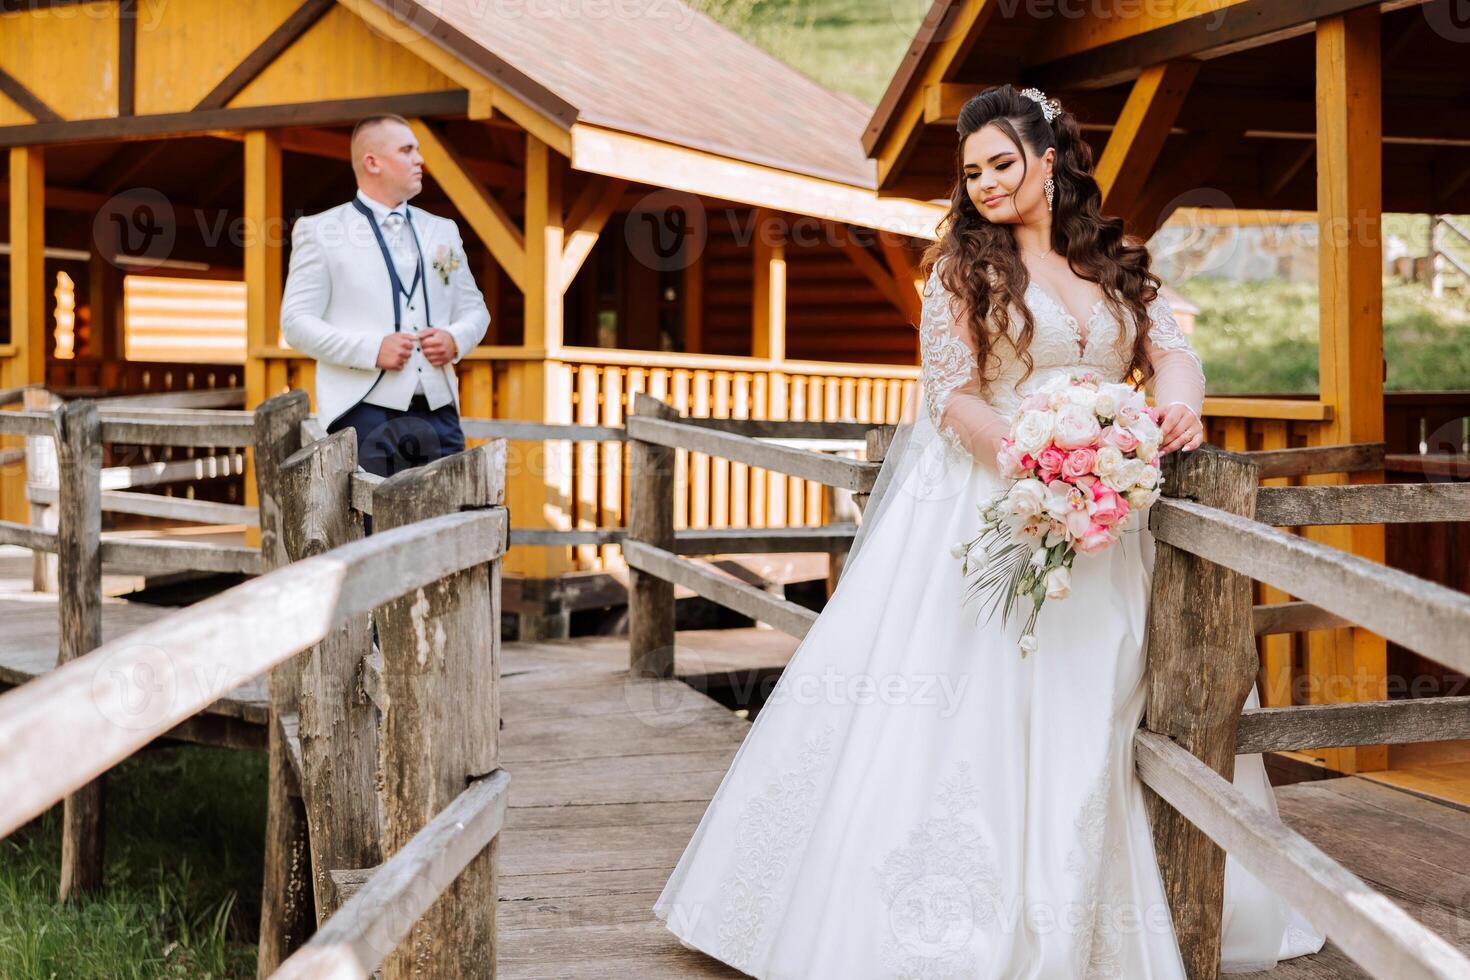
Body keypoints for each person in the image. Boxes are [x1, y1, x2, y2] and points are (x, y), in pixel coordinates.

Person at [652, 84, 1326, 978]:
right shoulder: (963, 272)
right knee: (984, 701)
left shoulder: (1115, 259)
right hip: (996, 502)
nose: (985, 184)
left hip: (1111, 516)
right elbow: (951, 394)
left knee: (1115, 687)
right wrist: (1030, 461)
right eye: (971, 172)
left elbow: (1174, 350)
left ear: (1051, 160)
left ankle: (1143, 901)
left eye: (1002, 164)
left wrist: (1178, 411)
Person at [281, 113, 490, 484]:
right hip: (363, 412)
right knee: (376, 533)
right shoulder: (321, 231)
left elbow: (475, 309)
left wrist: (455, 338)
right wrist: (369, 348)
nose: (419, 159)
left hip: (440, 411)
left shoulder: (442, 230)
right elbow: (296, 322)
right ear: (372, 161)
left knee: (450, 528)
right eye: (407, 150)